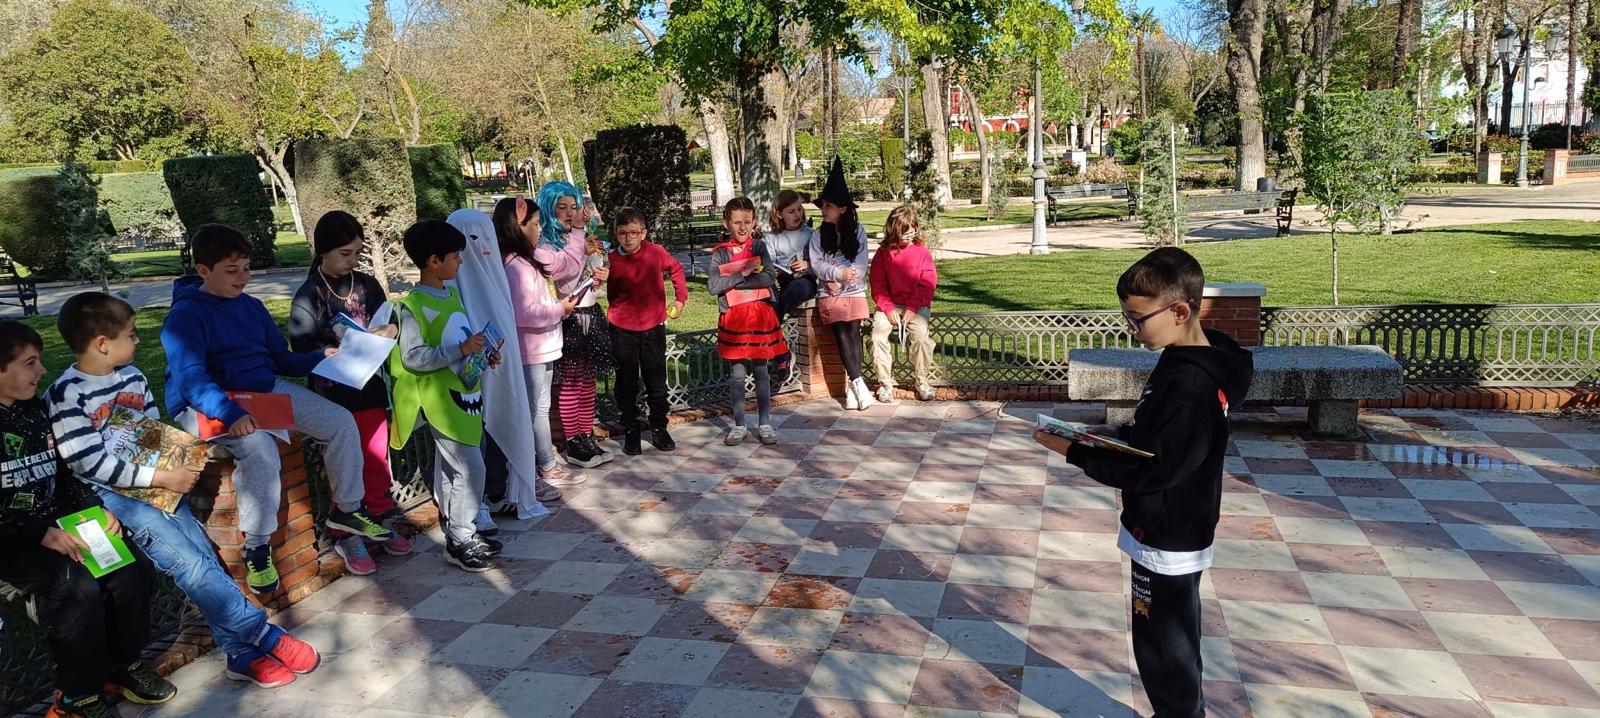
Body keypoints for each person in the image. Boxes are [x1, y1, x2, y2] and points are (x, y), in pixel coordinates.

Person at [48, 293, 320, 690]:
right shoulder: (66, 394)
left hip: (159, 484)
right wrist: (161, 479)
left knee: (202, 558)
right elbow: (87, 463)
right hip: (114, 498)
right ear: (102, 343)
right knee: (187, 565)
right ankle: (262, 635)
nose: (138, 341)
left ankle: (239, 654)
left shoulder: (134, 377)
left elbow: (154, 430)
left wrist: (178, 464)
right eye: (131, 334)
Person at [1032, 247, 1253, 718]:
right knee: (1170, 638)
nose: (1132, 330)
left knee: (1163, 645)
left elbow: (1159, 470)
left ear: (1179, 311)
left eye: (1137, 319)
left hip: (1168, 529)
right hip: (1171, 521)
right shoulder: (1189, 356)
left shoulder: (1190, 384)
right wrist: (1115, 434)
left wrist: (1074, 452)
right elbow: (1160, 442)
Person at [160, 224, 393, 595]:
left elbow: (278, 359)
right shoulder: (185, 317)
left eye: (247, 269)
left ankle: (346, 510)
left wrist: (320, 357)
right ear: (203, 271)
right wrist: (231, 414)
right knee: (259, 449)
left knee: (340, 422)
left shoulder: (251, 307)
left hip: (262, 390)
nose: (243, 278)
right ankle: (256, 546)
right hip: (208, 401)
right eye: (231, 271)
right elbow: (192, 381)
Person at [0, 320, 175, 718]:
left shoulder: (33, 410)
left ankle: (120, 666)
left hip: (58, 522)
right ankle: (75, 696)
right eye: (30, 363)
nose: (42, 371)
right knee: (76, 586)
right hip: (13, 537)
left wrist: (95, 509)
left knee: (133, 571)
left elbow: (62, 473)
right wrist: (38, 533)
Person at [286, 211, 412, 574]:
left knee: (375, 458)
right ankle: (347, 531)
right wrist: (330, 349)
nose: (352, 260)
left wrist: (388, 332)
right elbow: (299, 346)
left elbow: (388, 321)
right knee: (345, 462)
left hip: (370, 387)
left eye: (357, 252)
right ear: (322, 250)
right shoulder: (310, 293)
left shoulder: (367, 284)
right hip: (331, 393)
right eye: (345, 253)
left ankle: (379, 517)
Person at [388, 220, 502, 572]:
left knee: (460, 471)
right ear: (433, 261)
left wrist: (481, 352)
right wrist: (460, 349)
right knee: (471, 467)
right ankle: (462, 536)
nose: (461, 263)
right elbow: (414, 356)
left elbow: (462, 335)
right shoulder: (412, 306)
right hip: (440, 404)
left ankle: (460, 533)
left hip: (465, 396)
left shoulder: (451, 294)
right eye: (455, 257)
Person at [446, 207, 561, 532]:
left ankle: (498, 491)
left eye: (484, 238)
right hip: (460, 376)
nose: (479, 248)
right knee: (473, 436)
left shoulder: (496, 273)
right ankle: (475, 501)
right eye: (469, 240)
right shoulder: (449, 285)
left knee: (504, 424)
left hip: (500, 366)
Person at [491, 196, 583, 495]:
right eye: (535, 224)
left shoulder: (526, 260)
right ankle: (539, 468)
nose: (539, 229)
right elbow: (523, 313)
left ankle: (543, 463)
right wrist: (560, 310)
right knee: (533, 412)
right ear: (518, 226)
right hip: (530, 348)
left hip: (541, 345)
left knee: (539, 409)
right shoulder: (516, 266)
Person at [536, 182, 614, 468]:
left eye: (574, 207)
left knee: (586, 382)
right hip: (568, 318)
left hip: (590, 314)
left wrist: (600, 271)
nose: (570, 214)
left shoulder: (581, 238)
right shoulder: (546, 244)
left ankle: (586, 434)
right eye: (562, 208)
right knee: (570, 384)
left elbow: (589, 267)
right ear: (548, 209)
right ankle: (572, 441)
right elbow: (565, 270)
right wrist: (580, 240)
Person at [605, 207, 688, 455]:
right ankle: (631, 428)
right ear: (616, 234)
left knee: (656, 380)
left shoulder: (655, 252)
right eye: (622, 234)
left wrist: (680, 299)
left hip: (652, 326)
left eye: (634, 233)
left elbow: (676, 269)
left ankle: (659, 427)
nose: (628, 238)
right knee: (626, 381)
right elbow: (596, 281)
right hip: (622, 327)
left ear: (643, 233)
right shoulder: (611, 259)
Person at [707, 197, 788, 446]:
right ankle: (739, 425)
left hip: (759, 316)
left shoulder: (759, 247)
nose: (742, 227)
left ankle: (765, 423)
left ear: (753, 222)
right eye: (736, 222)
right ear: (726, 223)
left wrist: (736, 279)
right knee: (738, 374)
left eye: (747, 222)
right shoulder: (720, 253)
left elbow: (768, 277)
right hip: (733, 318)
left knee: (762, 371)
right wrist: (741, 272)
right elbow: (713, 286)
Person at [809, 159, 875, 411]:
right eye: (823, 205)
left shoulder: (858, 231)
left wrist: (848, 277)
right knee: (842, 335)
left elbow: (860, 261)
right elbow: (817, 264)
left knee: (853, 333)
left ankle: (852, 388)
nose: (824, 210)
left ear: (843, 208)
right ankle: (859, 385)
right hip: (829, 292)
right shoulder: (817, 235)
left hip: (854, 291)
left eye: (829, 205)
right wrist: (836, 275)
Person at [868, 205, 939, 403]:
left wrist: (912, 308)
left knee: (921, 337)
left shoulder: (922, 252)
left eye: (911, 231)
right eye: (903, 233)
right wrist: (888, 308)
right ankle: (885, 383)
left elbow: (928, 283)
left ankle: (922, 381)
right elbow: (877, 284)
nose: (908, 236)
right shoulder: (883, 254)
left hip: (916, 305)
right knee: (877, 336)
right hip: (889, 305)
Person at [764, 189, 817, 384]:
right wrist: (773, 271)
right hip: (782, 281)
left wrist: (807, 265)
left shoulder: (810, 234)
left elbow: (822, 264)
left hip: (804, 281)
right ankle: (782, 355)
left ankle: (779, 355)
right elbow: (766, 264)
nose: (797, 214)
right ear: (779, 214)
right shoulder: (771, 238)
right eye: (791, 211)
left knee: (781, 303)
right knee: (770, 301)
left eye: (799, 210)